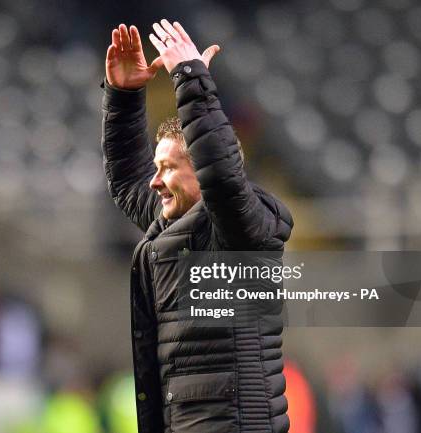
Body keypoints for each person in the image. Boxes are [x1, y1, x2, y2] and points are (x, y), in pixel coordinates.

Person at [101, 19, 294, 433]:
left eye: (167, 168)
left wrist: (191, 79)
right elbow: (126, 182)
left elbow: (225, 179)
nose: (155, 181)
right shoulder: (172, 230)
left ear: (202, 173)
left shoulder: (241, 231)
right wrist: (123, 95)